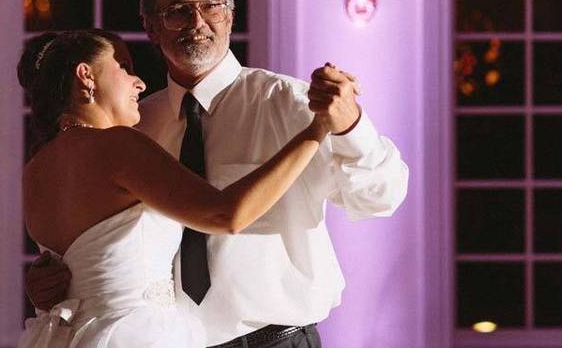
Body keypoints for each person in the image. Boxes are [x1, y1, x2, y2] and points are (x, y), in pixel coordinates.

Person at [27, 0, 409, 348]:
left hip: (276, 340)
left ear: (229, 16)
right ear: (152, 28)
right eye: (177, 11)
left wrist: (349, 125)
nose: (197, 22)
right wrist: (59, 279)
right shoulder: (138, 124)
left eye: (211, 6)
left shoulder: (290, 101)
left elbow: (381, 198)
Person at [17, 29, 331, 348]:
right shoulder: (118, 145)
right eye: (123, 67)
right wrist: (317, 130)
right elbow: (226, 215)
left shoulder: (35, 169)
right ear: (86, 76)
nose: (139, 82)